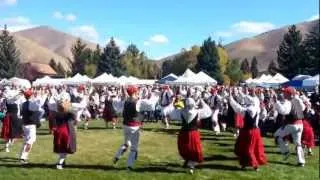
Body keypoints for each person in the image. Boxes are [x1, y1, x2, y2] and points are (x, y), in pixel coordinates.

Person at [229, 89, 267, 171]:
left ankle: (255, 165)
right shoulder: (257, 109)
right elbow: (263, 115)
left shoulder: (246, 110)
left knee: (247, 148)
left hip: (249, 131)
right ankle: (244, 164)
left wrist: (231, 98)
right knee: (250, 148)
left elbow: (237, 107)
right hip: (254, 131)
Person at [274, 87, 306, 167]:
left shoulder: (288, 102)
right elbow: (303, 107)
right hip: (300, 124)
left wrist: (276, 103)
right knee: (297, 143)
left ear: (289, 94)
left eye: (285, 92)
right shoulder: (298, 100)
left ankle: (285, 152)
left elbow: (284, 111)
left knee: (277, 135)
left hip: (292, 124)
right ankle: (301, 161)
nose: (283, 94)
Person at [113, 85, 142, 170]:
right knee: (134, 147)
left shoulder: (126, 101)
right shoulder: (136, 102)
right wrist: (141, 121)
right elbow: (138, 115)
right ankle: (129, 166)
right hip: (134, 126)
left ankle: (117, 156)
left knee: (126, 144)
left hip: (126, 125)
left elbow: (125, 96)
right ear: (134, 92)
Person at [178, 97, 203, 174]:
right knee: (193, 148)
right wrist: (202, 101)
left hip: (184, 132)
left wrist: (178, 101)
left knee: (186, 147)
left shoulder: (181, 111)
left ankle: (189, 162)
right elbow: (208, 110)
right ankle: (190, 165)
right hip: (193, 133)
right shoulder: (197, 112)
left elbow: (173, 113)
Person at [19, 90, 42, 164]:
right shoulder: (31, 104)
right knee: (30, 141)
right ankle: (23, 157)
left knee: (26, 141)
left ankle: (22, 156)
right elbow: (39, 106)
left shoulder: (23, 104)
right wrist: (37, 96)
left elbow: (22, 113)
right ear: (31, 96)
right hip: (30, 125)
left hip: (25, 124)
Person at [53, 100, 77, 170]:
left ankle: (62, 162)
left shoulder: (56, 114)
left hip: (58, 131)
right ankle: (59, 163)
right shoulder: (69, 114)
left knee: (61, 148)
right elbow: (74, 117)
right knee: (65, 149)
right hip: (65, 131)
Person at [1, 88, 24, 153]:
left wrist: (20, 93)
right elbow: (15, 97)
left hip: (12, 117)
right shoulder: (9, 99)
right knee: (9, 132)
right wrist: (20, 93)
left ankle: (9, 143)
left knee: (12, 132)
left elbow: (15, 97)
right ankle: (7, 146)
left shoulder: (8, 99)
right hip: (11, 117)